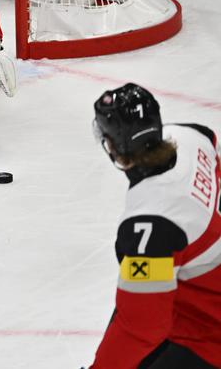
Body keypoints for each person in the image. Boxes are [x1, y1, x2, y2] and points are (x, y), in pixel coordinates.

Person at [88, 83, 220, 368]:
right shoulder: (189, 136)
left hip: (209, 333)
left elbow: (142, 328)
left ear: (111, 146)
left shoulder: (152, 224)